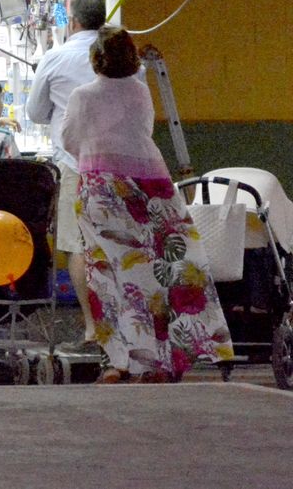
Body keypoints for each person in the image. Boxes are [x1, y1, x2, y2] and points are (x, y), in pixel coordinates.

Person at [61, 26, 233, 383]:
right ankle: (166, 358)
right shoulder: (140, 91)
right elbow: (144, 132)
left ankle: (122, 360)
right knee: (169, 268)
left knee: (109, 274)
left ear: (96, 59)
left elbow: (70, 140)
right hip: (152, 184)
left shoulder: (82, 96)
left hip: (100, 188)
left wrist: (97, 156)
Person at [25, 0, 105, 351]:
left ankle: (91, 328)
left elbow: (36, 113)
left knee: (78, 246)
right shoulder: (120, 56)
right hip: (120, 165)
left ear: (72, 21)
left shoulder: (56, 58)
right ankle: (120, 327)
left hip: (73, 164)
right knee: (116, 244)